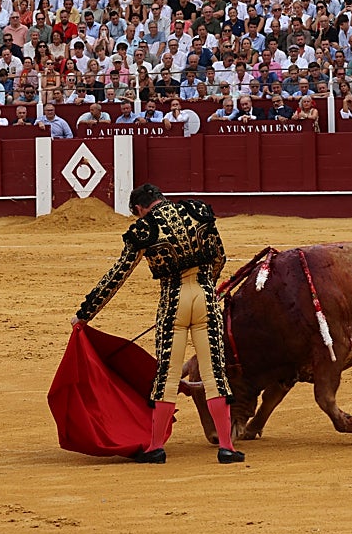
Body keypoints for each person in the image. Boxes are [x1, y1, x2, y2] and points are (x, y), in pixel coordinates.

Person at [73, 183, 244, 465]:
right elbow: (219, 257)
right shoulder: (198, 212)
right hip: (204, 296)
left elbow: (118, 275)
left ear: (140, 209)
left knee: (167, 375)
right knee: (215, 374)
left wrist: (85, 313)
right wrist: (206, 286)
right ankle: (227, 446)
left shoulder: (144, 229)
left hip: (173, 304)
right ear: (161, 198)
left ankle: (155, 447)